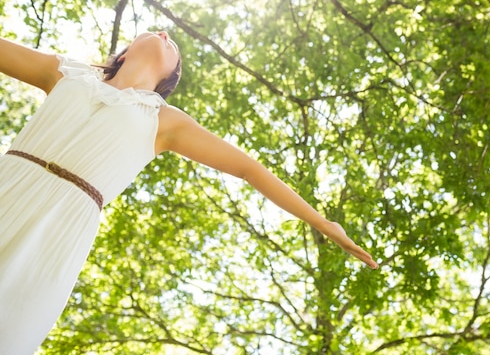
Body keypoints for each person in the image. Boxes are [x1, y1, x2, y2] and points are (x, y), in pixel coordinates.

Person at [0, 31, 378, 355]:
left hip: (61, 228)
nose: (165, 34)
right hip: (9, 183)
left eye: (174, 47)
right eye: (156, 32)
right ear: (125, 51)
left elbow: (249, 169)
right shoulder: (66, 72)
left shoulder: (163, 120)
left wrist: (323, 222)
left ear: (169, 79)